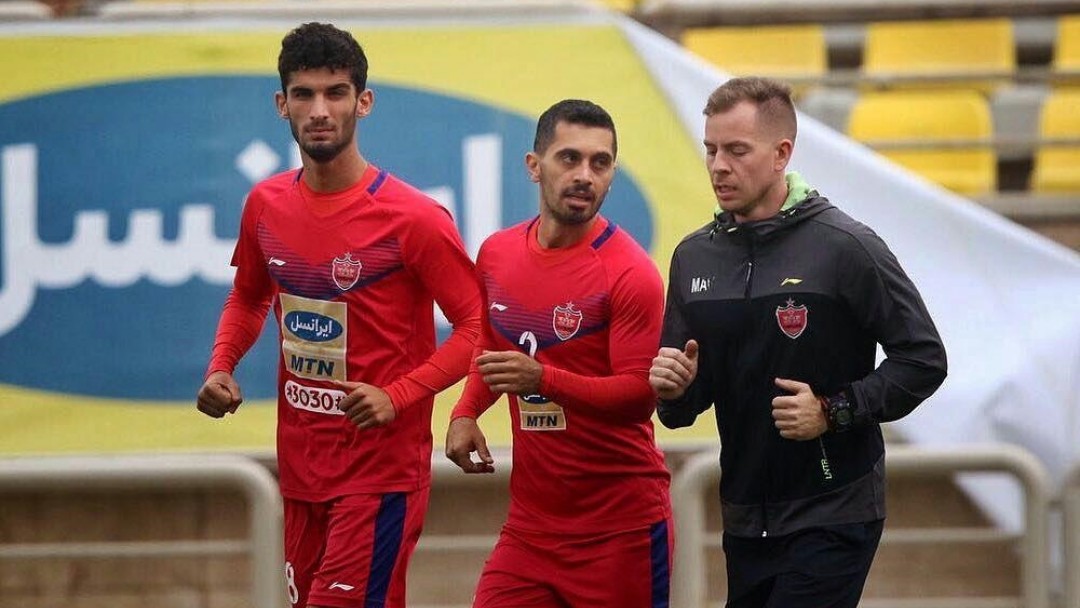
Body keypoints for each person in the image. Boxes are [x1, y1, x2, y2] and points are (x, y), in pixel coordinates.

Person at [195, 22, 481, 608]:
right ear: (282, 105)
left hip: (380, 476)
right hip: (302, 472)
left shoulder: (414, 218)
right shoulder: (265, 204)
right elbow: (249, 296)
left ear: (363, 102)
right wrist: (222, 365)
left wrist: (398, 396)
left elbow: (480, 329)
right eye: (304, 94)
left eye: (336, 93)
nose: (320, 110)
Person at [649, 77, 947, 608]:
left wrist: (833, 410)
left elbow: (923, 358)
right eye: (712, 149)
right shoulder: (694, 257)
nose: (719, 166)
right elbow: (684, 407)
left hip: (835, 508)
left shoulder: (846, 246)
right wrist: (674, 390)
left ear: (782, 153)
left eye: (737, 150)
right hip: (745, 515)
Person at [445, 99, 673, 607]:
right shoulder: (497, 253)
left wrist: (543, 379)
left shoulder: (630, 273)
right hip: (531, 530)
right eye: (569, 158)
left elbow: (639, 397)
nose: (584, 175)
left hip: (620, 532)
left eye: (600, 163)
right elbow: (493, 342)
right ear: (535, 166)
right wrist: (465, 412)